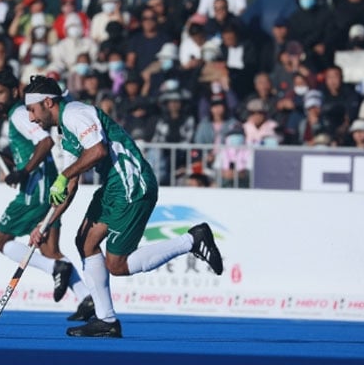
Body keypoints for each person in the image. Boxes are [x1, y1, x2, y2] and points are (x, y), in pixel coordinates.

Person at [24, 75, 223, 337]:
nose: (31, 118)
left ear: (47, 102)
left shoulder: (75, 113)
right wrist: (46, 224)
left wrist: (62, 176)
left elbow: (98, 151)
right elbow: (71, 183)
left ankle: (192, 240)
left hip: (132, 182)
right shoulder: (64, 130)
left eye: (32, 110)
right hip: (113, 185)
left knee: (117, 265)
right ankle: (106, 321)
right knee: (85, 241)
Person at [0, 73, 93, 319]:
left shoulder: (20, 114)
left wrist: (24, 172)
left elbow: (45, 142)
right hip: (45, 187)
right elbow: (27, 154)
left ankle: (55, 268)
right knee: (50, 249)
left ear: (13, 92)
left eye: (0, 93)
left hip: (36, 191)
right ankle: (87, 297)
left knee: (1, 240)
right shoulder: (18, 117)